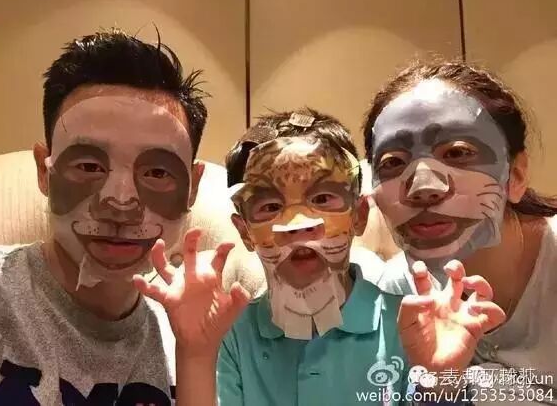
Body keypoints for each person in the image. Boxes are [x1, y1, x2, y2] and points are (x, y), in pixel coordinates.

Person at [136, 108, 505, 406]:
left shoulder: (413, 324)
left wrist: (438, 384)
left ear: (359, 216)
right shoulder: (229, 334)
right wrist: (196, 353)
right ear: (245, 230)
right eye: (270, 206)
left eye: (323, 199)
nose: (299, 225)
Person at [0, 28, 214, 405]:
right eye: (89, 166)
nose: (120, 203)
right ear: (44, 172)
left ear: (192, 187)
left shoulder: (192, 331)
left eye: (157, 172)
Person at [362, 61, 557, 403]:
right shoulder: (396, 294)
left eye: (457, 153)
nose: (422, 188)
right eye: (392, 162)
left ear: (515, 176)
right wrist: (437, 387)